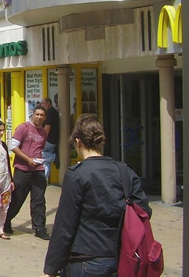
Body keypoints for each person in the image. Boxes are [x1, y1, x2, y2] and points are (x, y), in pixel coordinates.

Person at [42, 115, 152, 277]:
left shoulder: (77, 175)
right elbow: (144, 211)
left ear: (78, 142)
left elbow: (65, 225)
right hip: (120, 257)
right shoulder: (124, 171)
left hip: (85, 258)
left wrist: (51, 268)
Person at [3, 105, 50, 240]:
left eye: (42, 115)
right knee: (17, 199)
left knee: (39, 200)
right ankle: (6, 221)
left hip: (38, 170)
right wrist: (28, 159)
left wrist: (38, 161)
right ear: (33, 115)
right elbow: (12, 146)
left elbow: (40, 148)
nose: (39, 117)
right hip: (22, 170)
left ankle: (40, 228)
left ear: (44, 117)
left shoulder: (43, 132)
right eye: (37, 114)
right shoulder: (24, 128)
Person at [41, 97, 60, 181]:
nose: (41, 105)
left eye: (43, 103)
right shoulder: (53, 112)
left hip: (49, 140)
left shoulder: (50, 112)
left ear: (48, 103)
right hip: (53, 140)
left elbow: (47, 127)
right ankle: (44, 179)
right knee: (46, 161)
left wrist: (42, 139)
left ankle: (54, 157)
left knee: (36, 151)